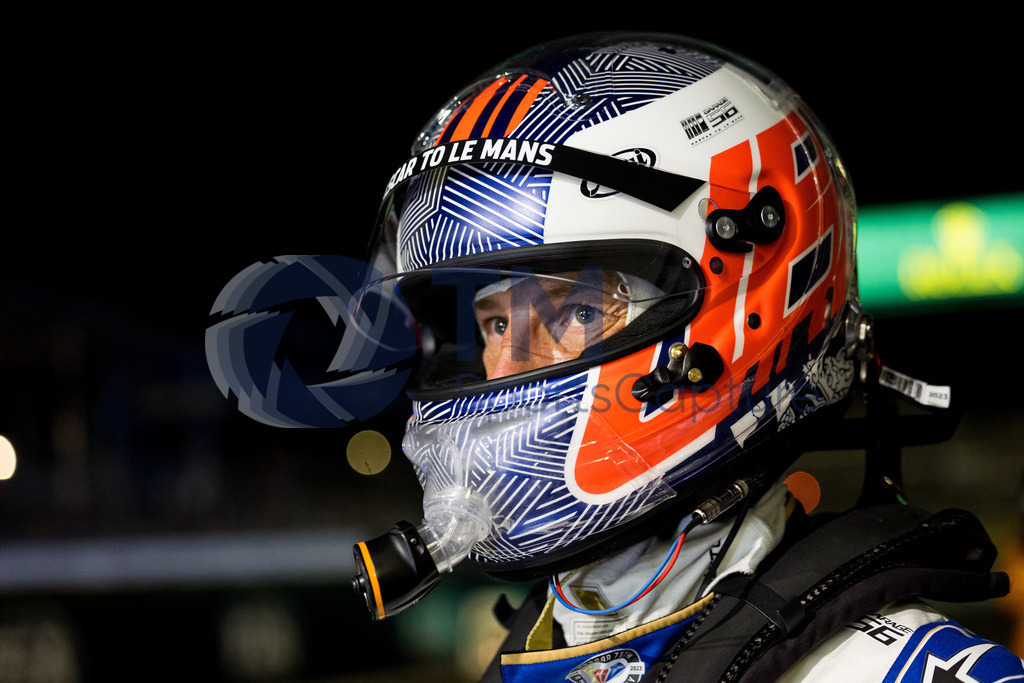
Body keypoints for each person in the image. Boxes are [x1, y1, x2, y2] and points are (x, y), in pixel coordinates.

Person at [348, 32, 1023, 681]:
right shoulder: (544, 645)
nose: (504, 370)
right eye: (493, 323)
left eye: (577, 312)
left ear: (751, 288)